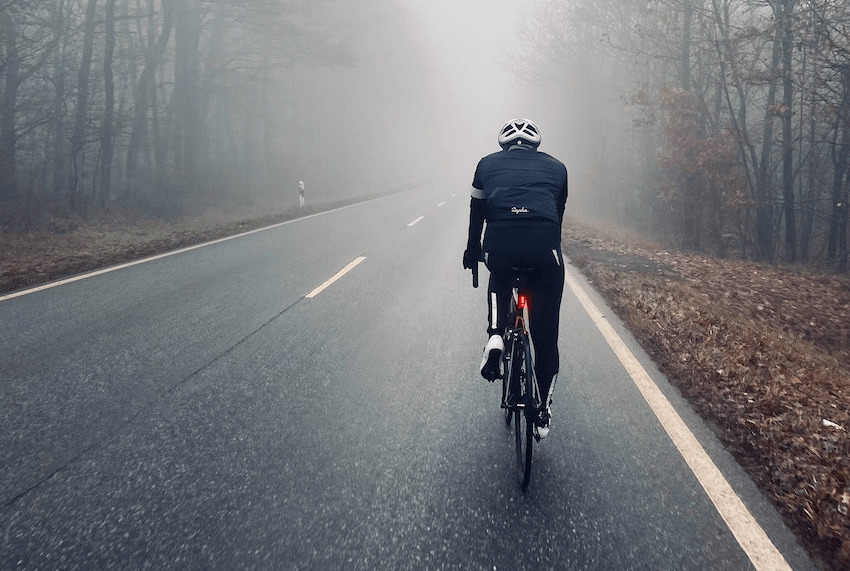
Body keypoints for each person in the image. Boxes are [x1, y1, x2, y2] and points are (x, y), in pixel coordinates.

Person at [462, 118, 568, 439]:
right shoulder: (559, 169)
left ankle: (495, 335)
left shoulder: (485, 165)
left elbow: (476, 214)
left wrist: (472, 251)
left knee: (500, 272)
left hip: (502, 246)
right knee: (545, 340)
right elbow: (556, 214)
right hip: (544, 250)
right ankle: (542, 411)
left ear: (503, 145)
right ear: (536, 144)